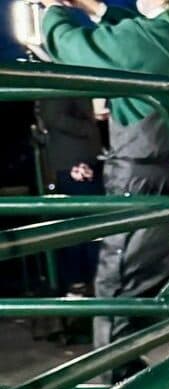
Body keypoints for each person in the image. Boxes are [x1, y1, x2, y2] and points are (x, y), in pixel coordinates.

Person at [41, 0, 169, 381]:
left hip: (144, 180)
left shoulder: (147, 38)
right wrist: (96, 9)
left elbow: (69, 45)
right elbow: (135, 39)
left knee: (119, 294)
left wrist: (53, 11)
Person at [35, 97, 103, 293]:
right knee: (83, 221)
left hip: (80, 159)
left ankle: (85, 280)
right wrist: (88, 127)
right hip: (75, 162)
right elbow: (53, 116)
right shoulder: (57, 85)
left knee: (87, 220)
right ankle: (80, 280)